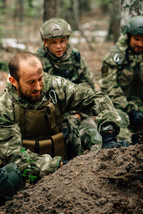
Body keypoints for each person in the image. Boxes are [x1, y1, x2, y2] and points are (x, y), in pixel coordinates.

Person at [0, 51, 122, 179]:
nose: (38, 87)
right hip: (32, 170)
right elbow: (12, 154)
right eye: (31, 82)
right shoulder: (5, 106)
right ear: (13, 81)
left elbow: (96, 99)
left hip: (69, 155)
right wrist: (57, 166)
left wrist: (109, 133)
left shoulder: (56, 87)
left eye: (40, 79)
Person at [35, 17, 102, 151]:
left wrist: (79, 114)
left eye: (62, 41)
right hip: (51, 117)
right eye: (53, 42)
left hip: (79, 113)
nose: (59, 46)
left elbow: (88, 88)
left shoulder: (76, 59)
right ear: (45, 42)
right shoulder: (36, 61)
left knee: (95, 141)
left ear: (67, 40)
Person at [99, 16, 143, 143]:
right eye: (136, 39)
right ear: (128, 36)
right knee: (115, 121)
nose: (140, 44)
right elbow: (109, 87)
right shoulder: (114, 57)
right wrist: (131, 111)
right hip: (123, 108)